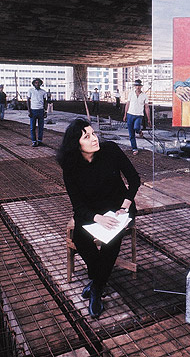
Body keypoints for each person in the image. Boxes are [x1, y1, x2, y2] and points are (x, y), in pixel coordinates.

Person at [57, 118, 140, 318]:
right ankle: (98, 282)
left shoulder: (110, 150)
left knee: (111, 241)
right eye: (87, 136)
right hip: (91, 211)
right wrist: (97, 218)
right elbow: (77, 205)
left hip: (119, 207)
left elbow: (135, 180)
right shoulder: (71, 167)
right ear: (76, 144)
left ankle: (95, 288)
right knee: (80, 237)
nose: (94, 139)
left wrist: (123, 208)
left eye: (93, 133)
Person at [123, 79, 151, 155]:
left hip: (139, 115)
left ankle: (139, 131)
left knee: (136, 127)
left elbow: (146, 107)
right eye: (136, 86)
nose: (138, 87)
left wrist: (149, 119)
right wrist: (125, 114)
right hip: (130, 115)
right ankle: (134, 148)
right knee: (131, 134)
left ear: (141, 87)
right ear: (135, 87)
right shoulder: (131, 94)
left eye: (139, 86)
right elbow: (127, 104)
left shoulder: (144, 95)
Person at [27, 78, 47, 147]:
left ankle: (40, 141)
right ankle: (34, 141)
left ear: (41, 84)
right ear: (33, 84)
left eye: (38, 83)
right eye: (36, 83)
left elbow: (45, 102)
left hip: (41, 111)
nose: (37, 84)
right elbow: (28, 101)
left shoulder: (43, 92)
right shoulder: (30, 91)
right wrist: (29, 111)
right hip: (33, 111)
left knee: (41, 127)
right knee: (32, 127)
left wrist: (45, 111)